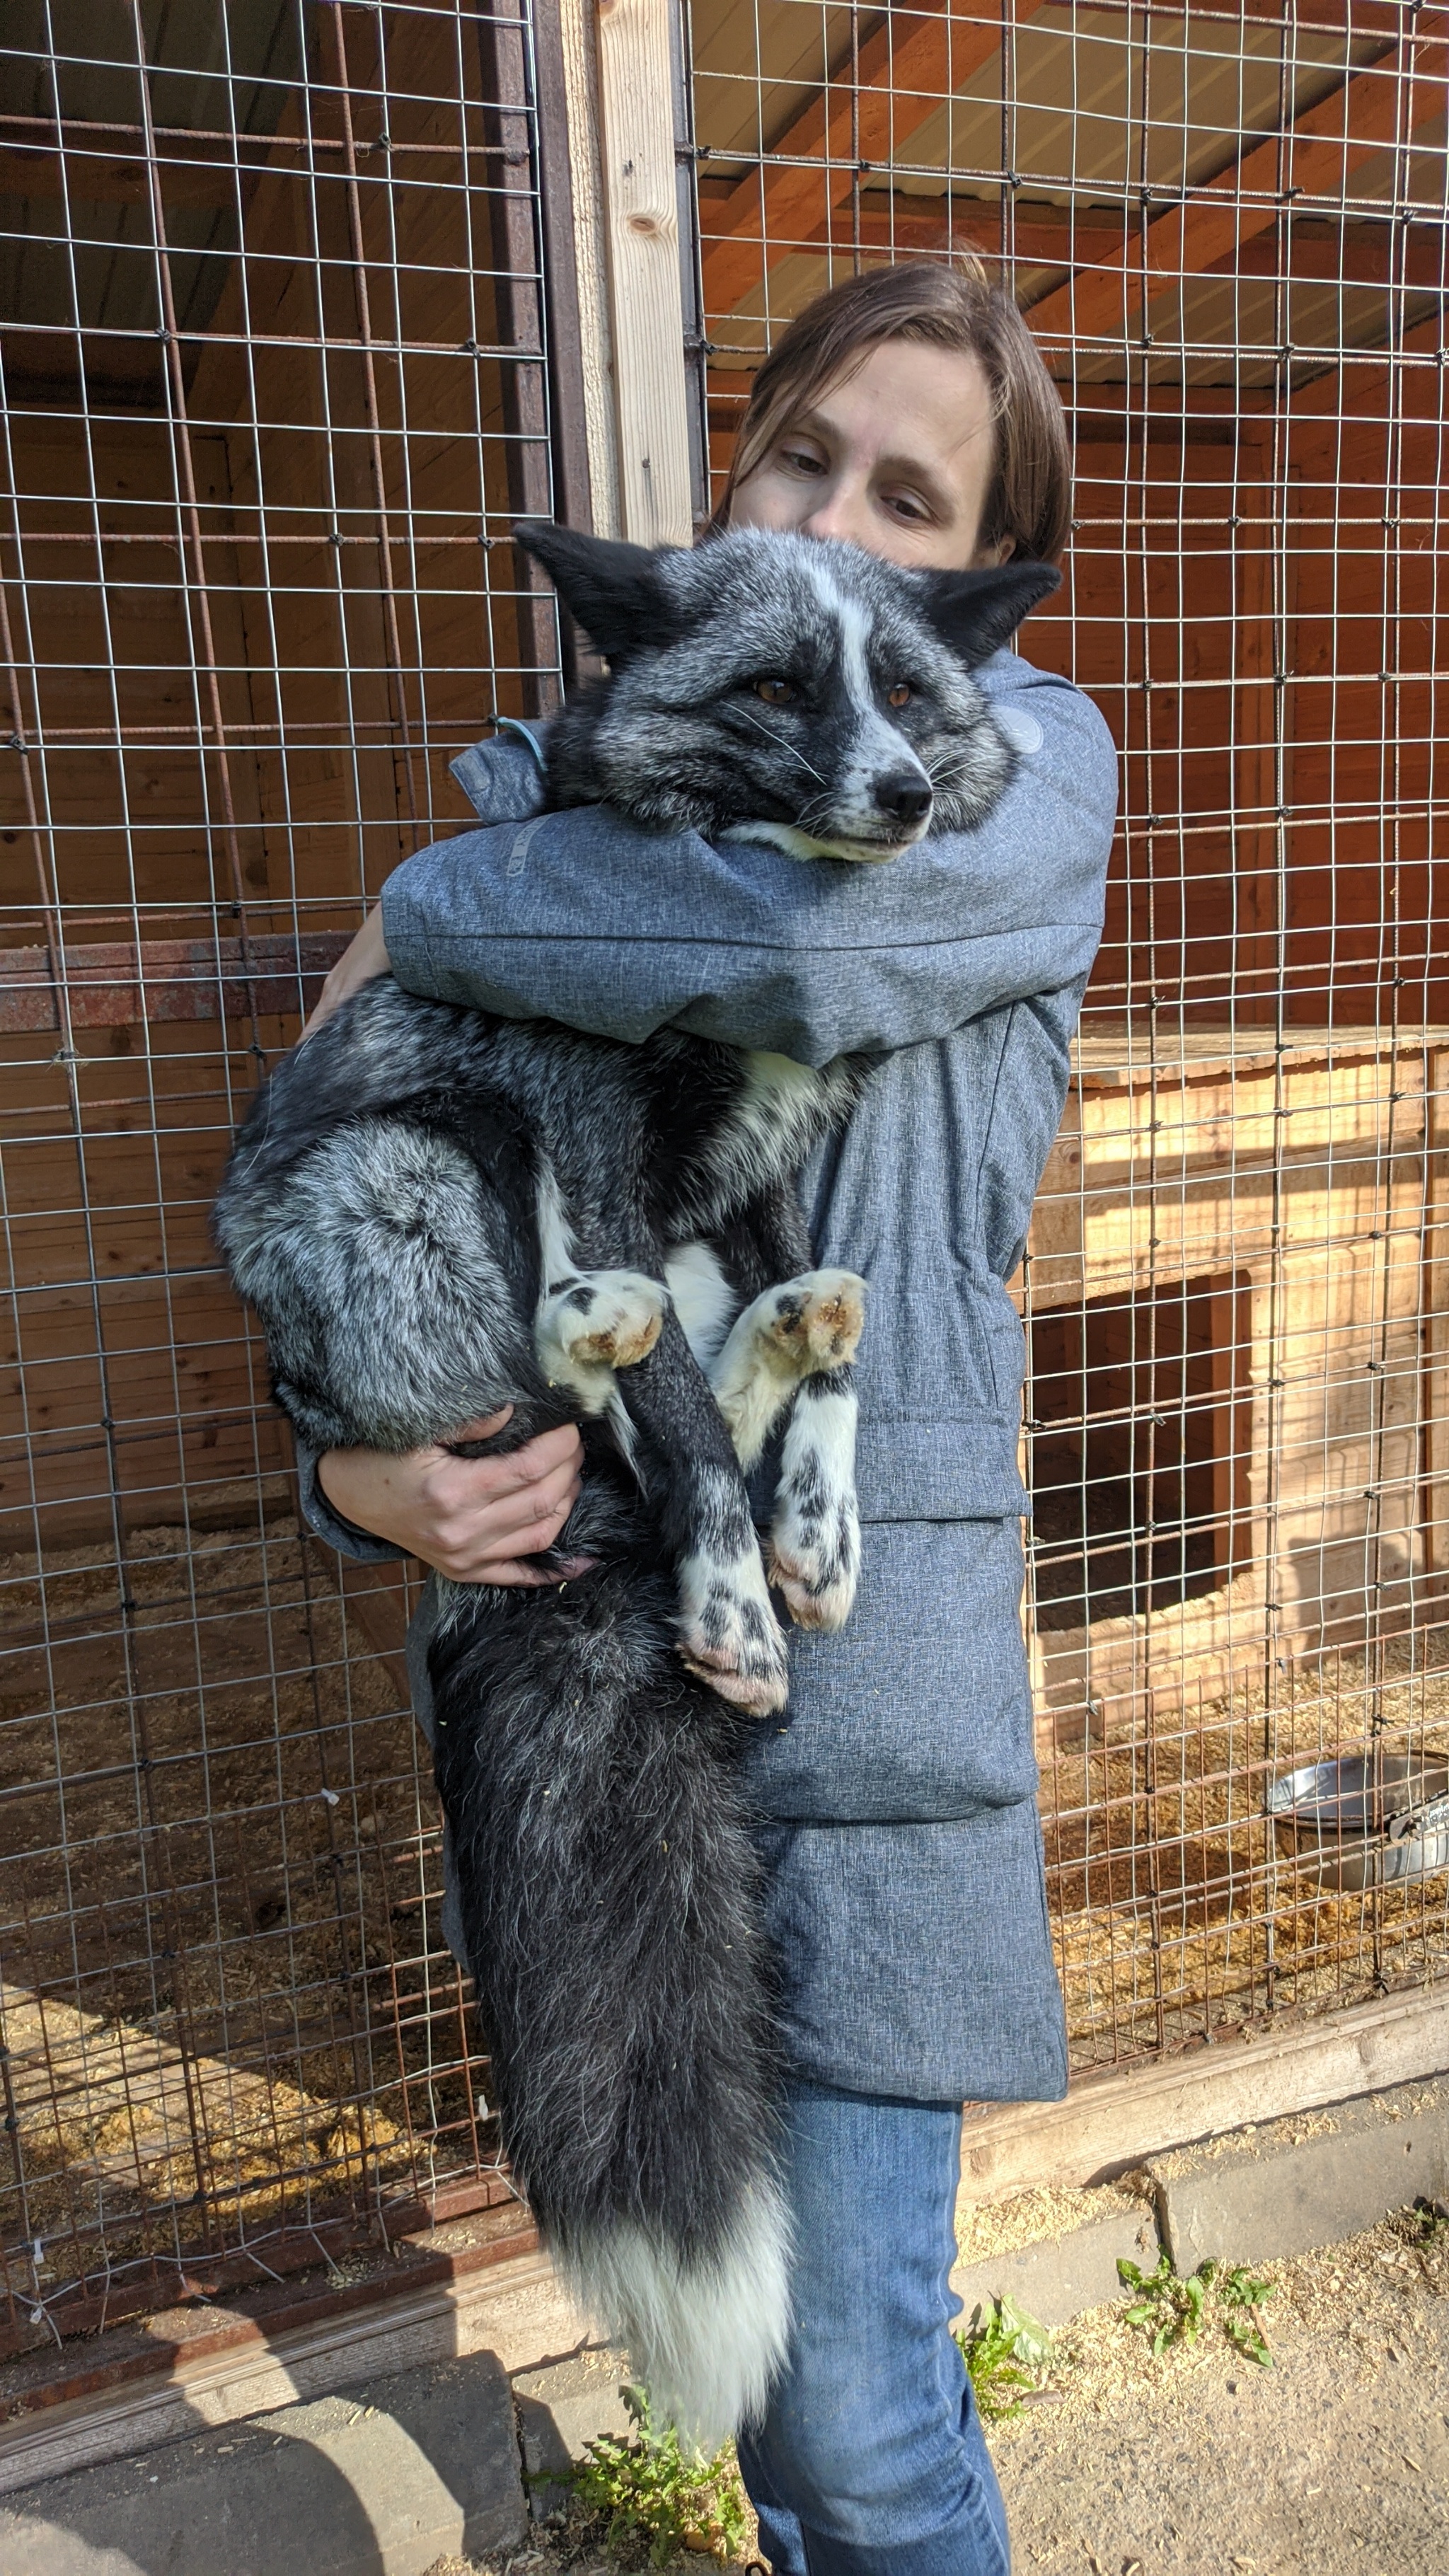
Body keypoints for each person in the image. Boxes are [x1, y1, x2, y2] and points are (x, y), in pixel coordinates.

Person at [297, 259, 1118, 2575]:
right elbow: (352, 1153)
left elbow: (813, 950)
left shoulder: (1021, 770)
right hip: (584, 1631)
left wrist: (442, 892)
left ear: (977, 570)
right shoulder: (540, 795)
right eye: (806, 459)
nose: (849, 528)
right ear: (732, 468)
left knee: (855, 2404)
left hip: (878, 1690)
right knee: (762, 2397)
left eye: (916, 496)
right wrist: (354, 1474)